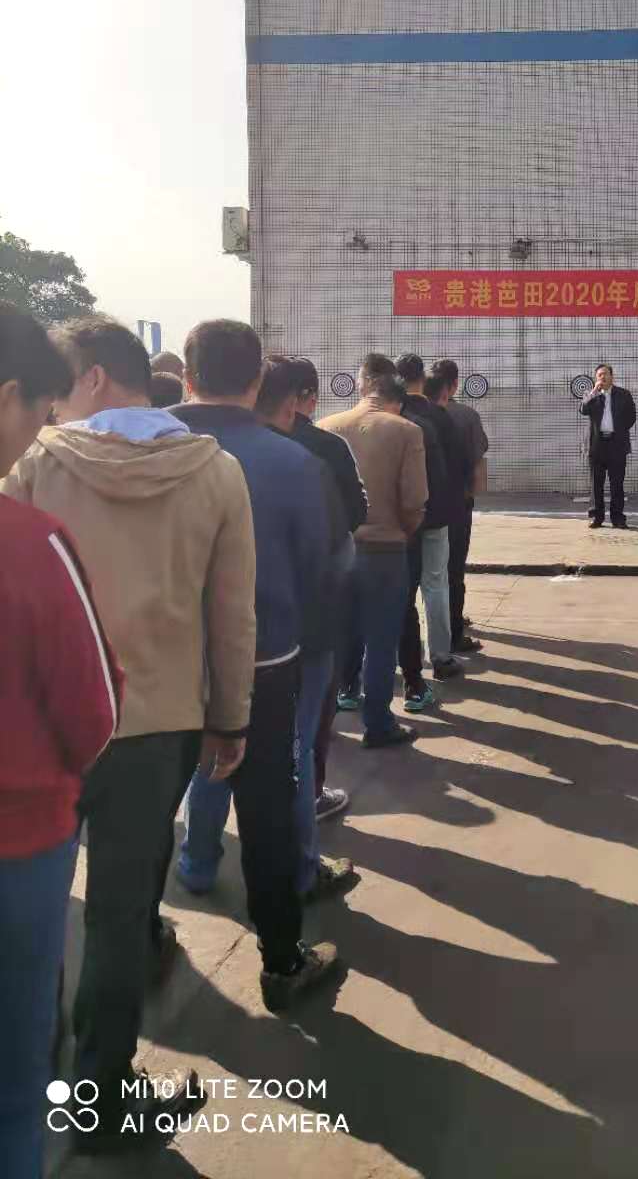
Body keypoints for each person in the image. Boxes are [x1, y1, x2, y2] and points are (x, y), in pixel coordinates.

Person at [3, 314, 257, 1144]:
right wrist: (230, 719)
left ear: (93, 378)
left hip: (45, 725)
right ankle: (100, 1099)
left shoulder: (37, 464)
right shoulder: (215, 472)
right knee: (120, 916)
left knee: (39, 911)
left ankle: (27, 1080)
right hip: (159, 728)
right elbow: (231, 612)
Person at [173, 321, 338, 1012]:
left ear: (187, 374)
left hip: (156, 664)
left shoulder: (141, 445)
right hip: (264, 661)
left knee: (149, 810)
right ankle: (281, 960)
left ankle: (157, 918)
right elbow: (315, 568)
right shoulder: (290, 461)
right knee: (266, 813)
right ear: (256, 383)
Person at [0, 305, 120, 1178]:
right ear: (8, 398)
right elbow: (93, 713)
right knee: (13, 1090)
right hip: (17, 845)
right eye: (38, 415)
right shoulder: (30, 543)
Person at [250, 357, 355, 901]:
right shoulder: (308, 459)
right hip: (298, 633)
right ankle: (302, 871)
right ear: (296, 399)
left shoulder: (195, 450)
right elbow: (337, 548)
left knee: (217, 751)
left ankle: (197, 863)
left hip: (220, 634)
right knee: (296, 747)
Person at [320, 355, 428, 746]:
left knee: (333, 639)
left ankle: (322, 722)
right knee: (381, 641)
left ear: (364, 390)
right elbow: (415, 501)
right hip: (385, 550)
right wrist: (403, 531)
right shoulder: (406, 431)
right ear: (396, 401)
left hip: (338, 550)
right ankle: (378, 724)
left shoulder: (327, 427)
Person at [288, 357, 368, 820]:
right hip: (314, 596)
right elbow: (353, 514)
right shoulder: (322, 448)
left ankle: (202, 848)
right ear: (307, 397)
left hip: (241, 604)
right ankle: (309, 798)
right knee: (311, 709)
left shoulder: (209, 445)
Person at [396, 353, 461, 707]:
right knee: (435, 585)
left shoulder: (393, 415)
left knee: (403, 592)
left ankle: (404, 658)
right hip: (435, 516)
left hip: (401, 519)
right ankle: (441, 657)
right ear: (422, 379)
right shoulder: (439, 416)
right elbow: (455, 465)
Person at [430, 358, 488, 652]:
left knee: (427, 573)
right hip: (456, 505)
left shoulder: (410, 413)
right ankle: (453, 631)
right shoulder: (467, 416)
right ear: (454, 385)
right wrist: (471, 496)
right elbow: (479, 462)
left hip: (422, 506)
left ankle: (431, 630)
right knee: (453, 570)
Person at [580, 363, 636, 528]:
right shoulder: (591, 395)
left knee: (617, 483)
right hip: (597, 445)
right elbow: (583, 410)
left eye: (605, 374)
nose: (602, 377)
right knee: (596, 483)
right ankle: (596, 517)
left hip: (616, 445)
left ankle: (617, 518)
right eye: (599, 375)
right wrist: (593, 392)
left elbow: (631, 417)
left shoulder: (624, 394)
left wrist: (618, 431)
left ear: (612, 376)